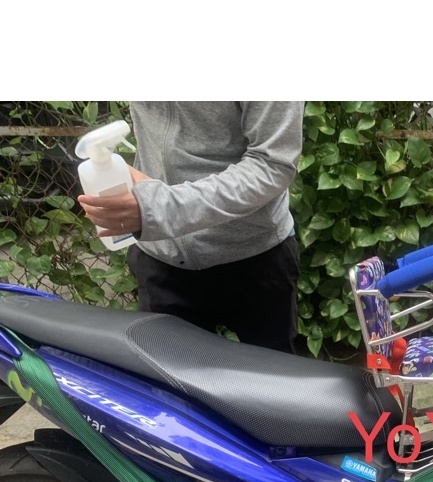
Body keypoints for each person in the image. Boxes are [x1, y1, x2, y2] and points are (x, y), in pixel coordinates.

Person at [78, 101, 304, 353]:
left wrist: (161, 209)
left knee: (270, 375)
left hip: (255, 255)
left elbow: (273, 165)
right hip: (161, 257)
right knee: (169, 376)